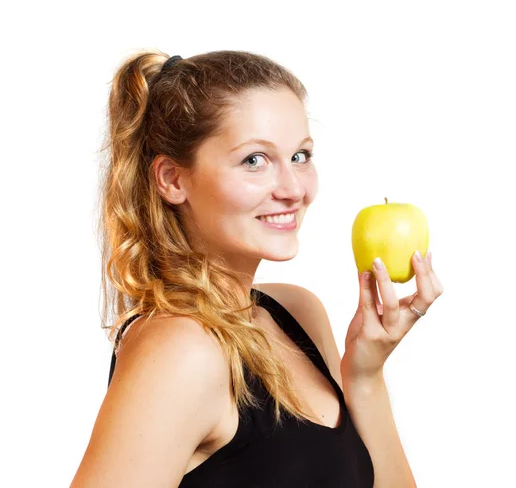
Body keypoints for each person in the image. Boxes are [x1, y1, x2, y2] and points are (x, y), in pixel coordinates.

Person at [70, 50, 443, 488]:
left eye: (301, 156)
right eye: (254, 160)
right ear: (172, 179)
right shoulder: (179, 350)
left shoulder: (297, 312)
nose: (293, 189)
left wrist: (365, 374)